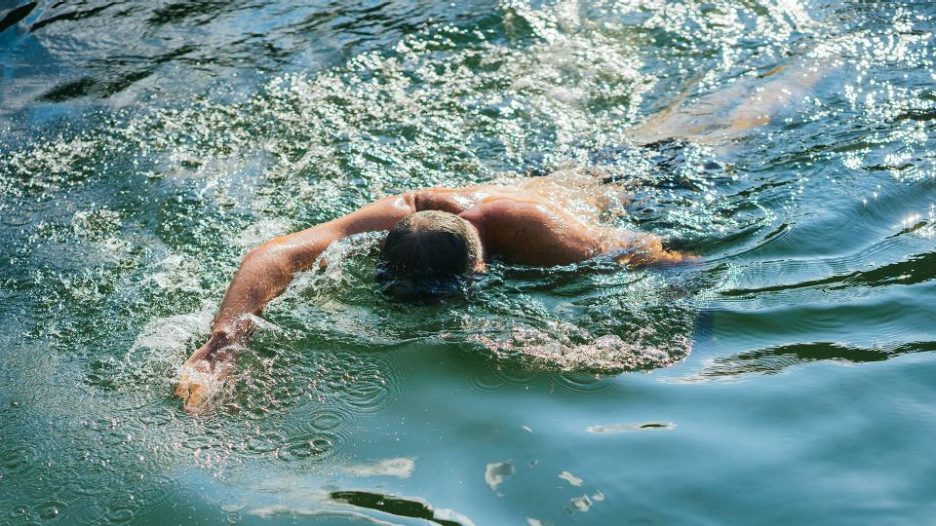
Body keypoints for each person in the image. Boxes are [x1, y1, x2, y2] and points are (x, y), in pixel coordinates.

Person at [174, 171, 688, 413]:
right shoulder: (399, 215)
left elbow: (660, 255)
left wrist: (688, 335)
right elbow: (275, 254)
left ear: (481, 268)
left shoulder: (550, 237)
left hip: (647, 181)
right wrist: (222, 347)